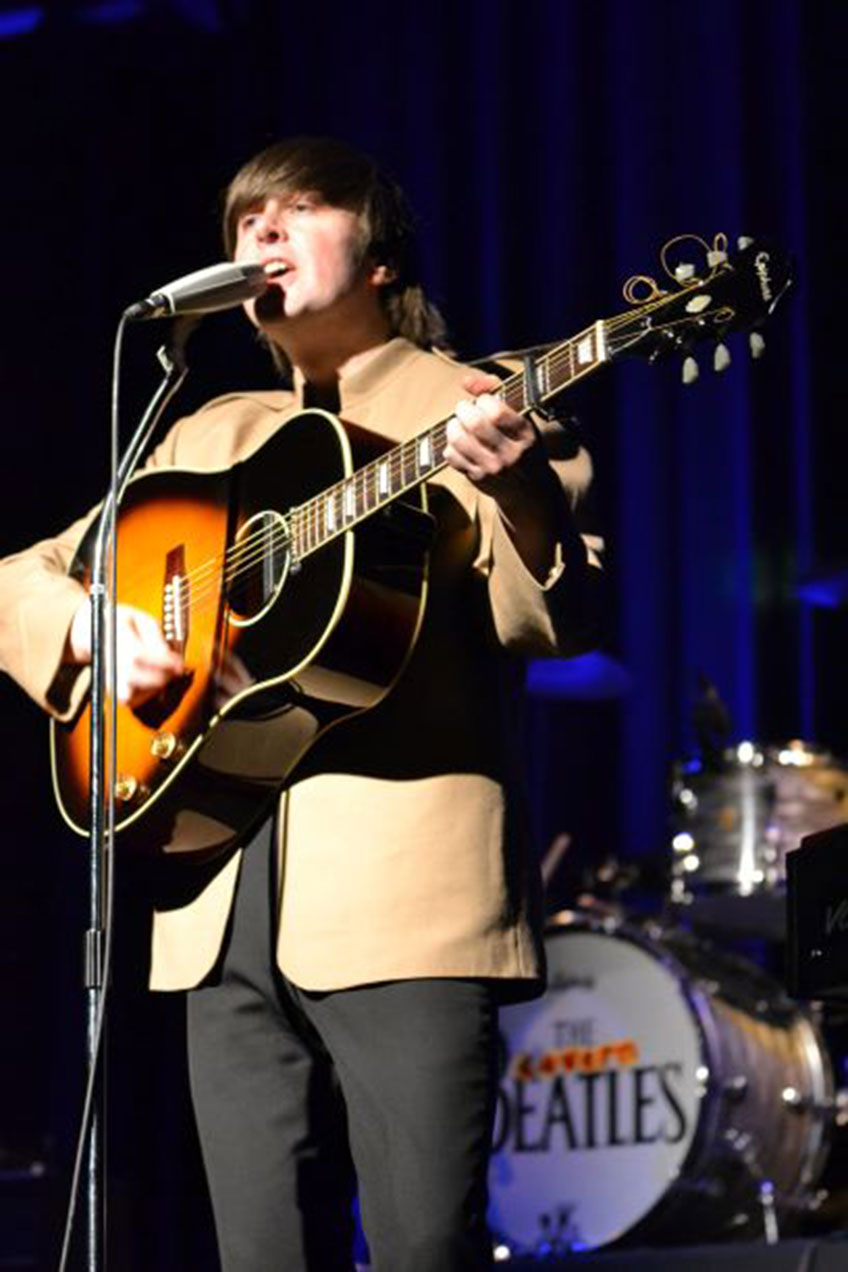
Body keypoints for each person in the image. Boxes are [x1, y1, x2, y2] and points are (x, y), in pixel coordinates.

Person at [0, 137, 603, 1271]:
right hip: (209, 895)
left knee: (425, 1244)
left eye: (299, 209)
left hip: (406, 897)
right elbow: (14, 580)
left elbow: (560, 618)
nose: (261, 235)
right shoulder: (201, 434)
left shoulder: (473, 398)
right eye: (243, 222)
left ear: (378, 256)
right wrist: (89, 625)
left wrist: (516, 482)